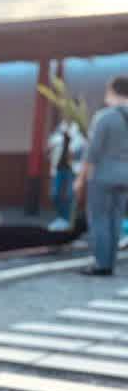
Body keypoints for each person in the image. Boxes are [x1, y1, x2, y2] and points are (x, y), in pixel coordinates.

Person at [76, 75, 128, 276]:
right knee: (115, 218)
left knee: (99, 219)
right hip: (125, 176)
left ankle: (101, 263)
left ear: (112, 91)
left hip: (104, 175)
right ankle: (111, 262)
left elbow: (93, 151)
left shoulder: (105, 117)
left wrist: (80, 178)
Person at [47, 116, 86, 229]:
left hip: (72, 170)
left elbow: (80, 151)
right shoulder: (59, 130)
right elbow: (50, 147)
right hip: (58, 168)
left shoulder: (79, 133)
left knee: (69, 196)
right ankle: (62, 218)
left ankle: (68, 222)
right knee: (55, 194)